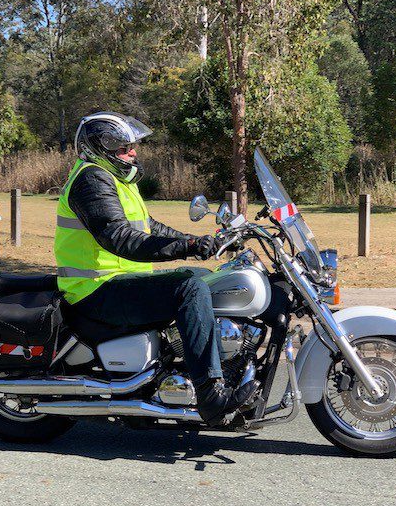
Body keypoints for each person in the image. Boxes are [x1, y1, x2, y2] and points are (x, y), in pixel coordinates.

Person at [54, 111, 257, 426]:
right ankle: (210, 393)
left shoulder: (117, 180)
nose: (132, 153)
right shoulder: (91, 179)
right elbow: (119, 238)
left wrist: (197, 243)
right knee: (189, 289)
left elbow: (149, 227)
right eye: (123, 148)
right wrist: (185, 248)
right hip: (96, 289)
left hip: (121, 282)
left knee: (202, 278)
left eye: (132, 146)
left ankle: (204, 366)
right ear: (101, 148)